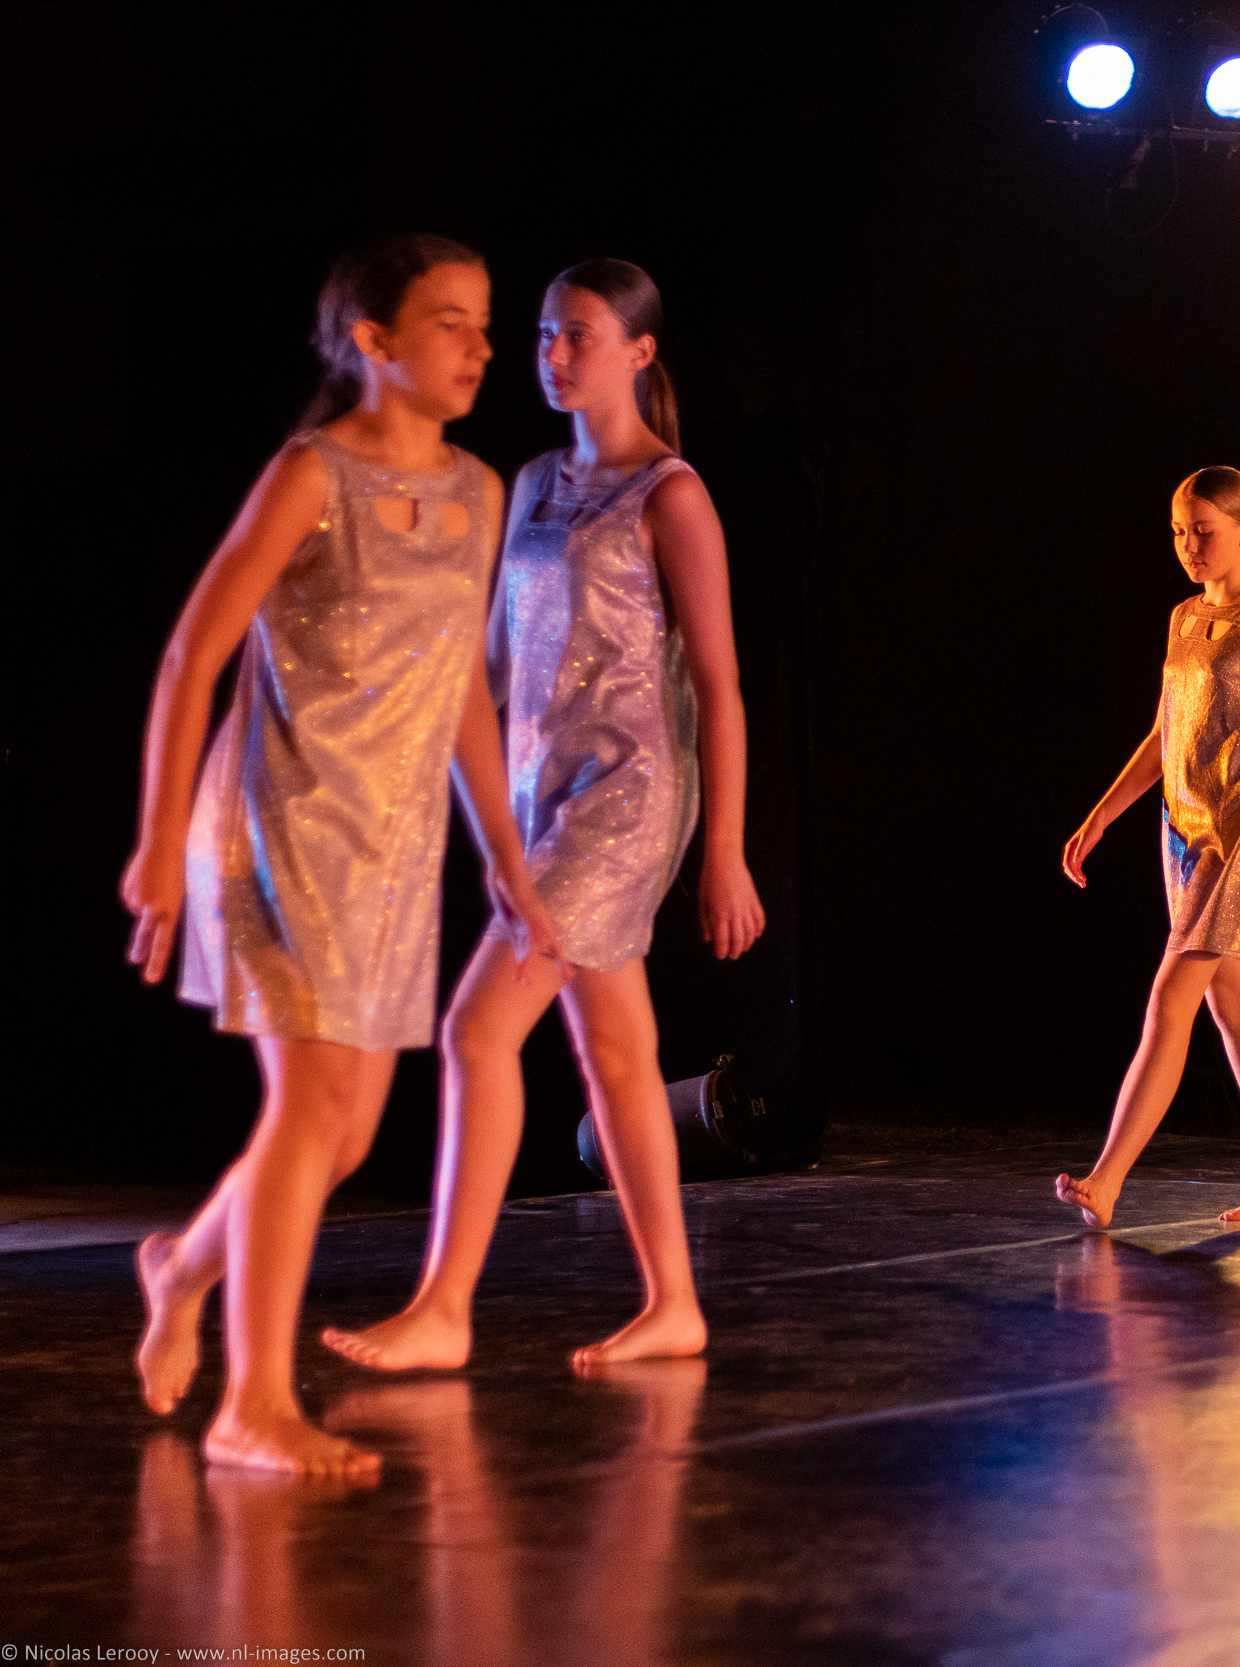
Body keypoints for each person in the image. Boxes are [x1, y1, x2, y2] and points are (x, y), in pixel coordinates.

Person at [123, 235, 559, 1475]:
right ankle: (252, 1402)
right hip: (276, 823)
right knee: (307, 1109)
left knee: (347, 1135)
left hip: (391, 845)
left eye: (484, 321)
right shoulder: (310, 474)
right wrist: (155, 840)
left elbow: (461, 686)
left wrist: (506, 854)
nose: (481, 346)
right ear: (375, 341)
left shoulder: (478, 490)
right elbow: (192, 654)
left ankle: (183, 1265)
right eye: (450, 322)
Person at [323, 260, 763, 1375]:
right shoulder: (529, 482)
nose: (552, 355)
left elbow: (719, 685)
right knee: (617, 1053)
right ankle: (674, 1303)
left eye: (578, 335)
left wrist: (724, 850)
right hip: (539, 802)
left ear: (639, 352)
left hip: (625, 801)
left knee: (478, 1031)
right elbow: (494, 663)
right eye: (544, 335)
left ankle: (444, 1305)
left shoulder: (670, 494)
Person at [1054, 467, 1240, 1228]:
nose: (1189, 545)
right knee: (1234, 1005)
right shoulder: (1181, 617)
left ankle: (1107, 1179)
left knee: (1171, 998)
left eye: (1203, 531)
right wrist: (1102, 814)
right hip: (1184, 829)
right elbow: (1164, 734)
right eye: (1179, 531)